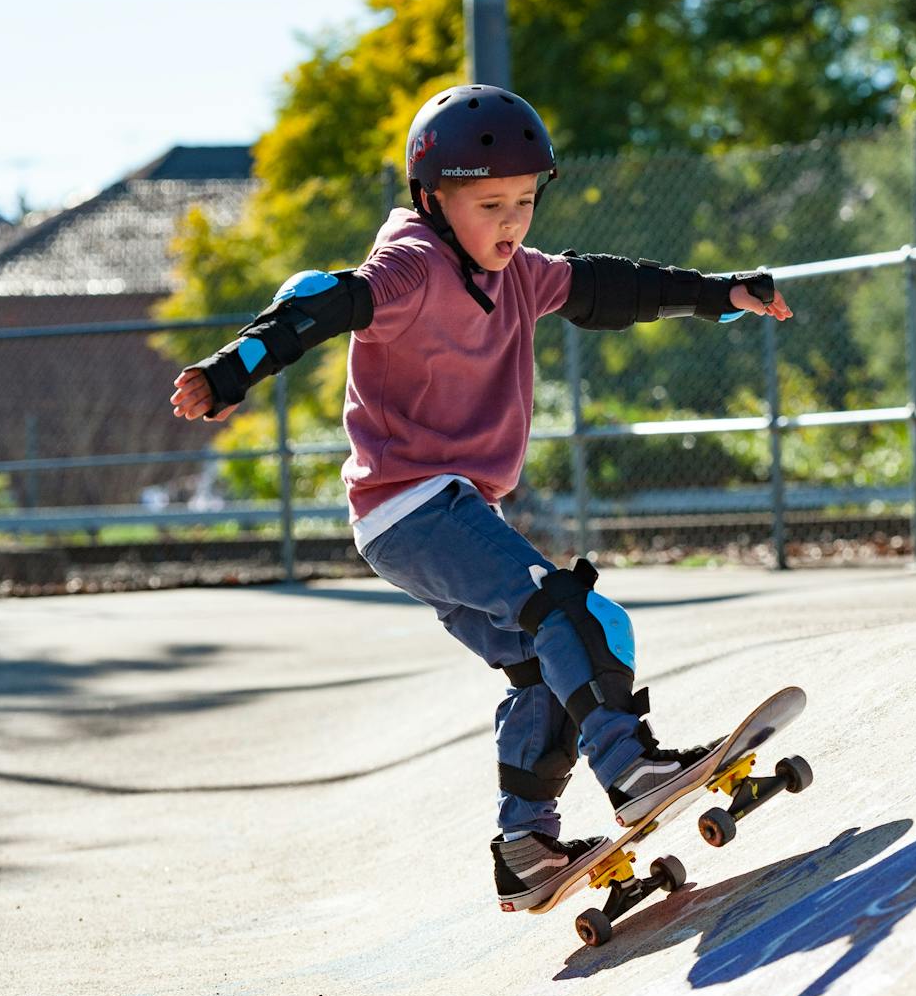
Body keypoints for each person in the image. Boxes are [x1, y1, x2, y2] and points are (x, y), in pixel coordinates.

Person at [168, 85, 792, 911]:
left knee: (543, 670)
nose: (512, 223)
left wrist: (720, 294)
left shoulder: (520, 276)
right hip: (413, 506)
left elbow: (609, 289)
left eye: (526, 202)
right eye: (490, 204)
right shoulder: (413, 266)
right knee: (574, 617)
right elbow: (320, 302)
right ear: (434, 200)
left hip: (435, 516)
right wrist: (232, 369)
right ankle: (632, 767)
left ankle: (526, 845)